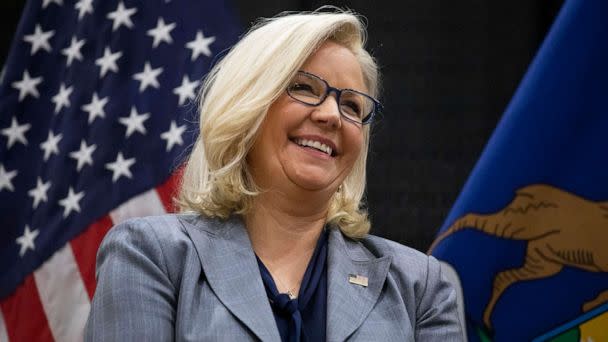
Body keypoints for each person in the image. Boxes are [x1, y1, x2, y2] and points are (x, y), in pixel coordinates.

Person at [85, 8, 463, 342]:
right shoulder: (151, 255)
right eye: (303, 88)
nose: (332, 114)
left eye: (351, 104)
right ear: (246, 107)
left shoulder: (422, 287)